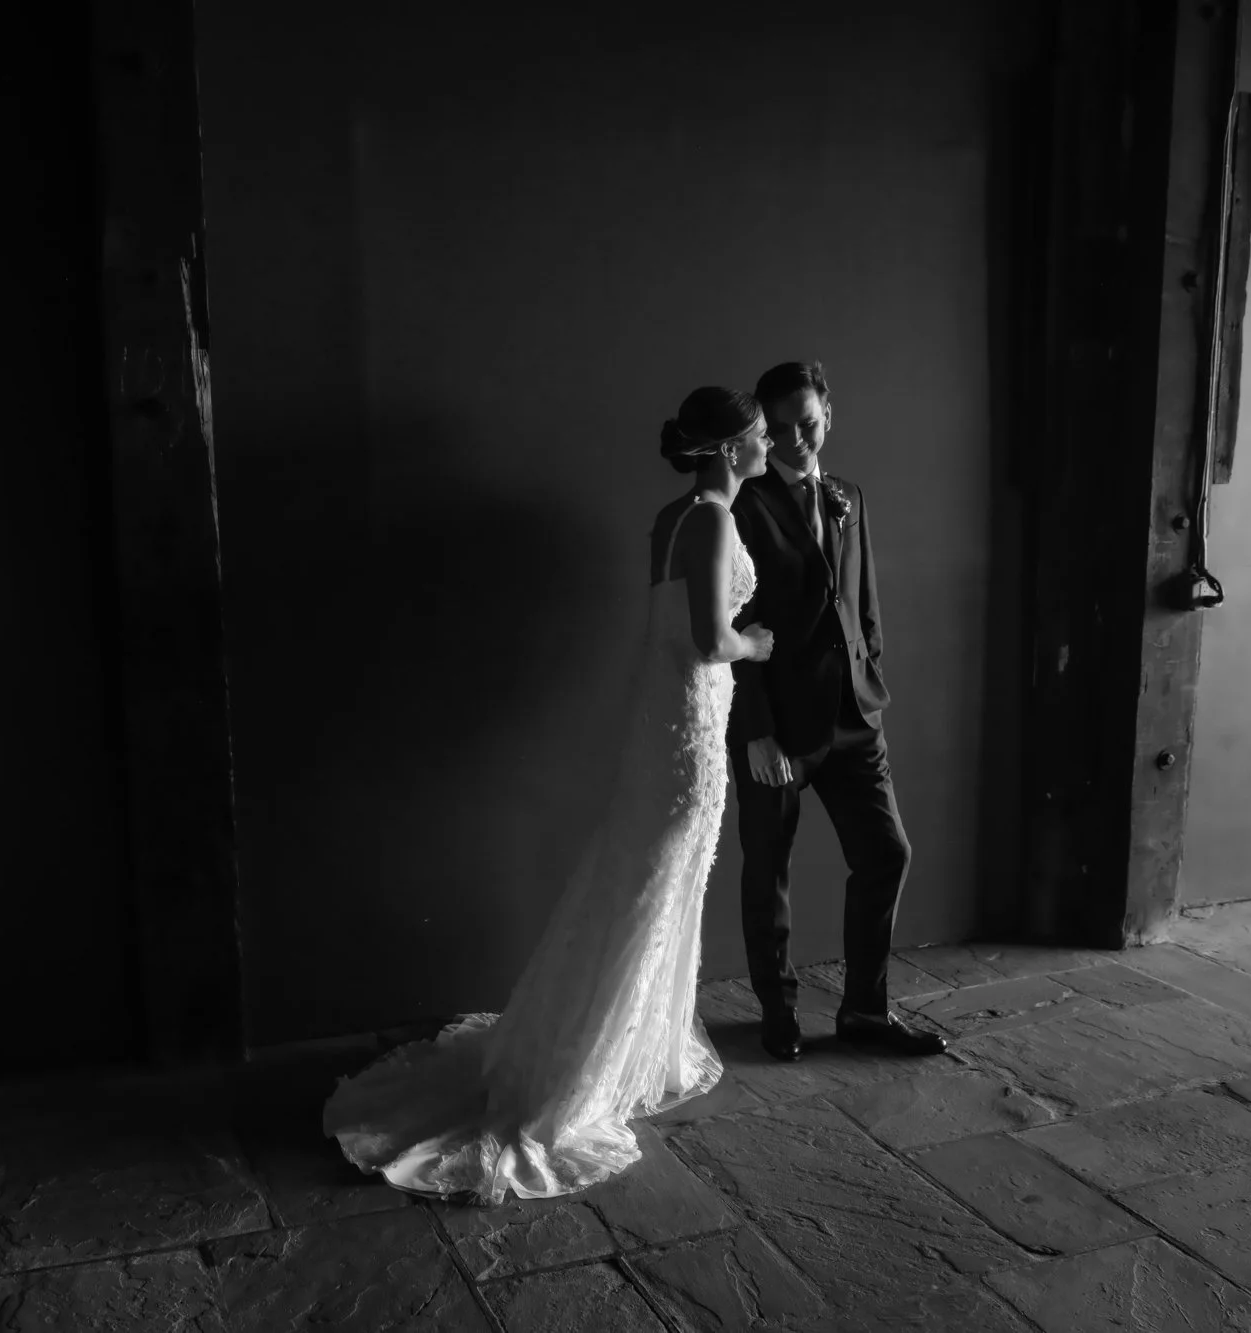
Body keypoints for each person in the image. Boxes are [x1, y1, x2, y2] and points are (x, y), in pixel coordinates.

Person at [322, 387, 775, 1204]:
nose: (769, 445)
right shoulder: (711, 520)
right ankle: (592, 1068)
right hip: (690, 719)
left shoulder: (673, 517)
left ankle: (633, 1044)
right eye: (762, 435)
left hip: (666, 715)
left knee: (646, 876)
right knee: (662, 875)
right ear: (728, 447)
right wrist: (757, 642)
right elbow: (711, 639)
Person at [726, 360, 945, 1062]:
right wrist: (756, 730)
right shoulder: (742, 503)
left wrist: (869, 674)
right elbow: (733, 622)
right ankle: (778, 1011)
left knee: (887, 853)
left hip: (855, 715)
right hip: (779, 725)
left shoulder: (849, 494)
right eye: (779, 428)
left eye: (808, 423)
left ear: (829, 416)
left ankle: (865, 1011)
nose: (795, 439)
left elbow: (863, 599)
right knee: (769, 869)